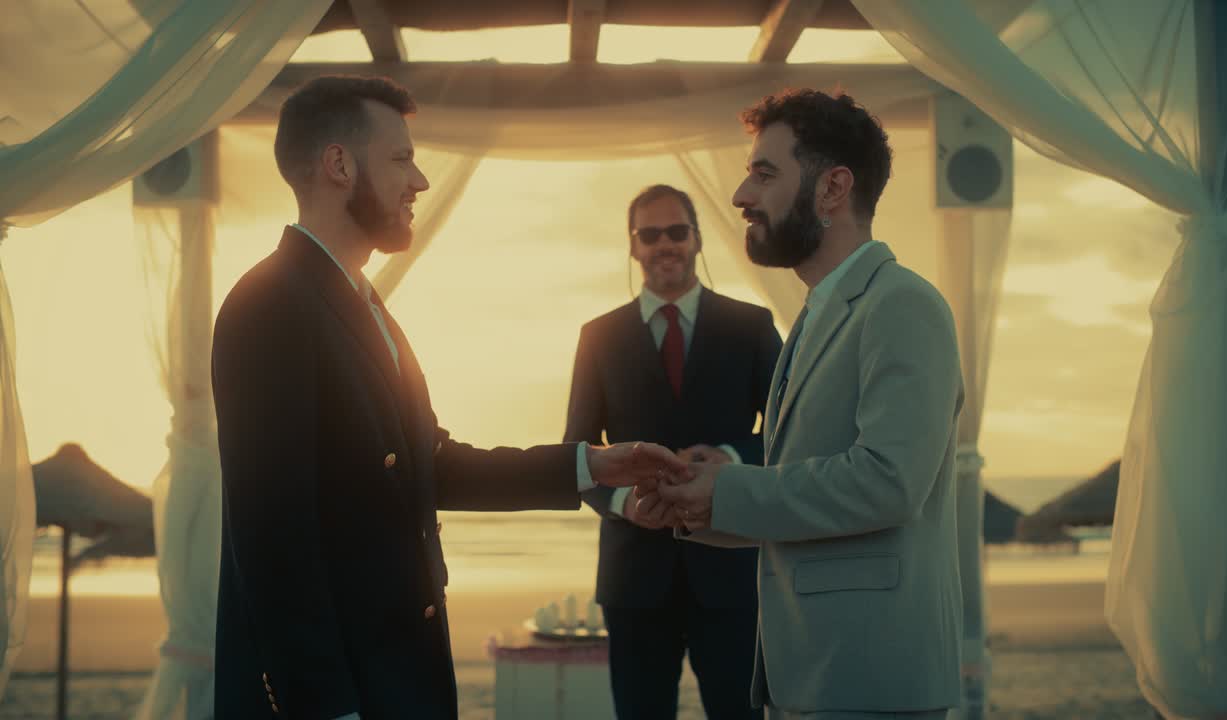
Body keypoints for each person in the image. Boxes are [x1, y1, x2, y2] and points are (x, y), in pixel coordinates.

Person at [211, 75, 685, 720]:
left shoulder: (362, 303)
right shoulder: (270, 305)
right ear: (339, 165)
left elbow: (429, 464)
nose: (420, 181)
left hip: (399, 677)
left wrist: (592, 464)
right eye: (401, 158)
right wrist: (327, 707)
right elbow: (273, 540)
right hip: (342, 694)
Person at [654, 89, 965, 719]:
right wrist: (691, 507)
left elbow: (887, 482)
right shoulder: (814, 315)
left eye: (765, 174)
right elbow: (807, 501)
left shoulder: (903, 305)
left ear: (833, 189)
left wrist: (727, 489)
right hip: (809, 676)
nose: (741, 195)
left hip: (871, 680)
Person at [565, 184, 781, 719]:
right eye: (650, 234)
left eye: (677, 231)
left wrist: (733, 456)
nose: (665, 244)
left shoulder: (751, 325)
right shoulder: (598, 336)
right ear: (633, 246)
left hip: (732, 570)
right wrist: (625, 505)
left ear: (698, 239)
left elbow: (792, 429)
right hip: (634, 579)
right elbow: (577, 451)